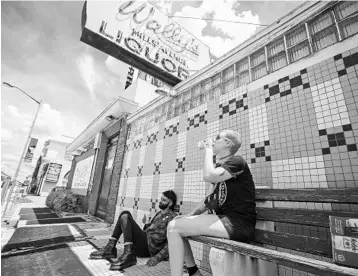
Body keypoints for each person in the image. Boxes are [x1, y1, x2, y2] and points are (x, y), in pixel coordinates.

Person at [167, 130, 256, 276]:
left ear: (227, 142)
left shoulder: (237, 161)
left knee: (173, 228)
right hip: (225, 221)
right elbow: (207, 200)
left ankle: (190, 272)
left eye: (217, 138)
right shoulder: (222, 170)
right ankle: (193, 272)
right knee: (176, 225)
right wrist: (189, 215)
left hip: (238, 224)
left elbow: (208, 176)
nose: (213, 141)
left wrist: (208, 149)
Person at [89, 190, 177, 271]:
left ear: (170, 203)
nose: (161, 201)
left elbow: (171, 242)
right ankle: (110, 248)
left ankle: (128, 255)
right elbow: (150, 230)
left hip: (148, 248)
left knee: (125, 216)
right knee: (124, 214)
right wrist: (146, 224)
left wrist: (157, 257)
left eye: (164, 200)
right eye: (161, 199)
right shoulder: (159, 213)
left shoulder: (173, 218)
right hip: (144, 241)